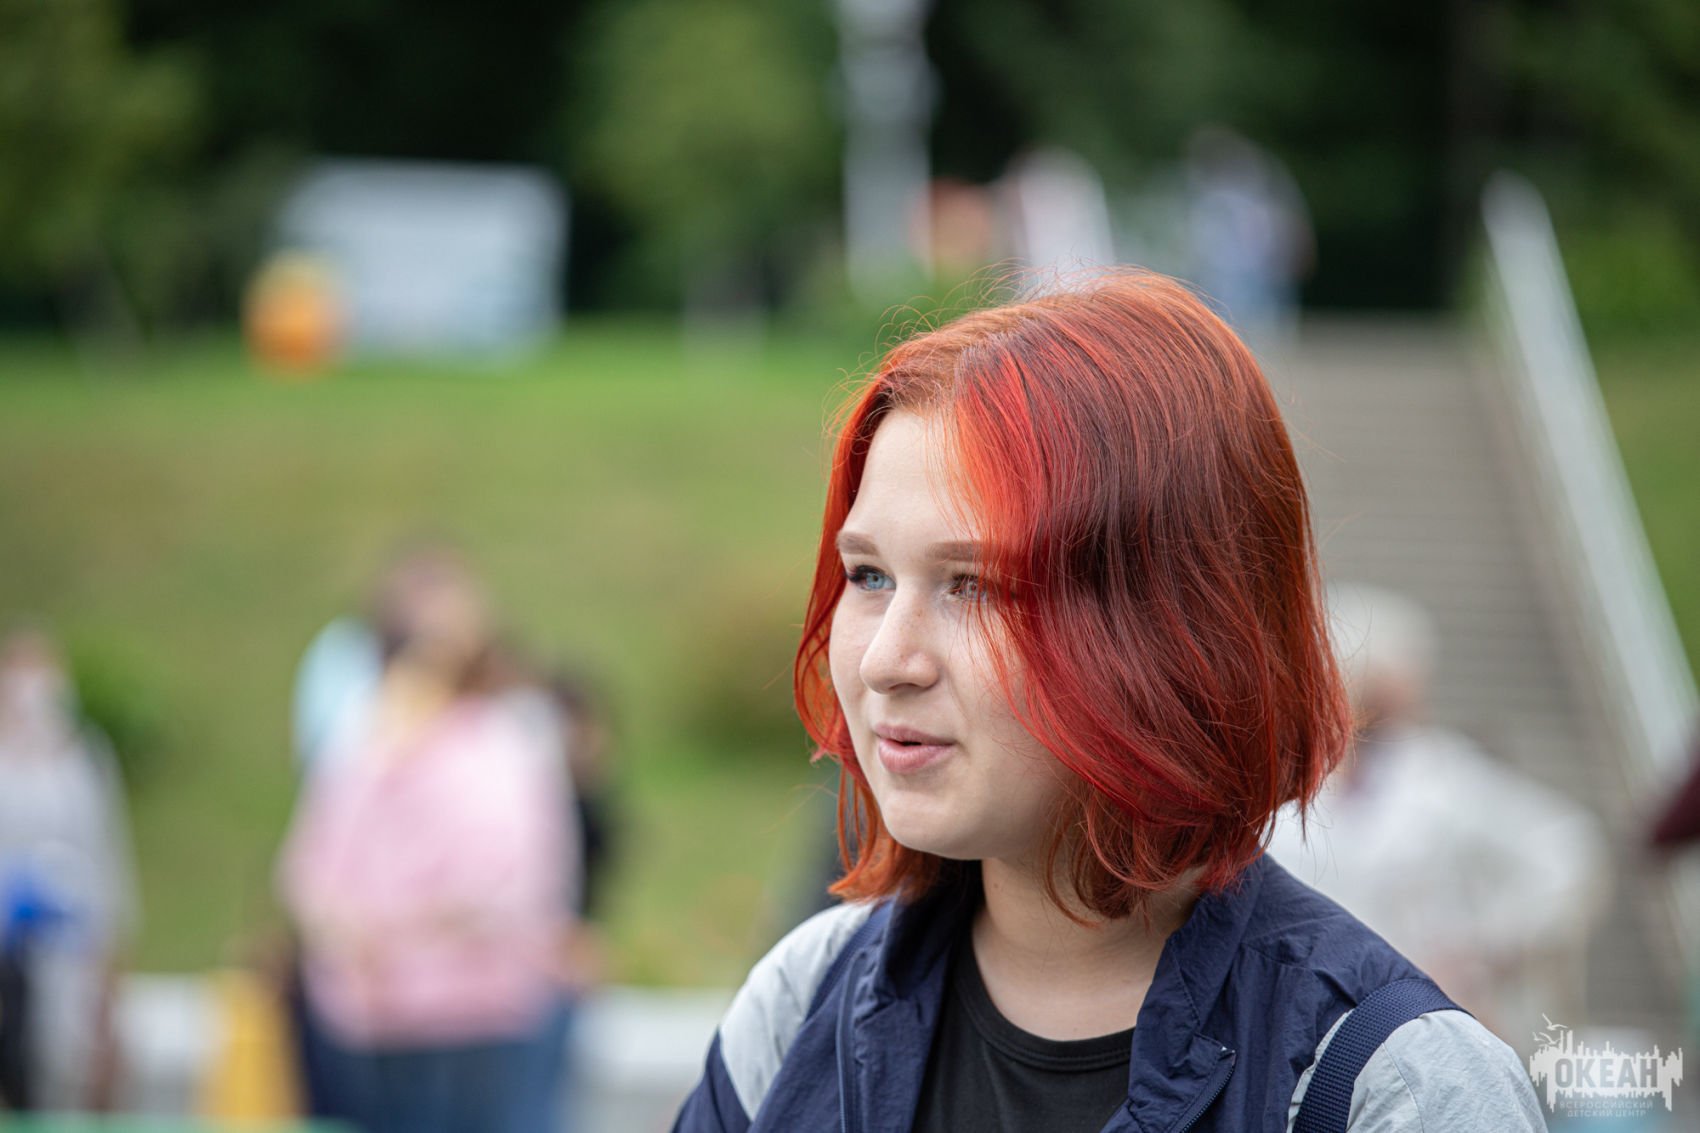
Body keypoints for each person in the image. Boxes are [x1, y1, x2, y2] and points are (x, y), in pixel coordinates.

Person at [672, 271, 1544, 1132]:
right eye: (868, 574)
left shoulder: (1388, 1084)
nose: (885, 661)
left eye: (972, 584)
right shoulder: (802, 1010)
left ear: (1169, 623)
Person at [277, 560, 575, 1133]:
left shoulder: (499, 744)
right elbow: (310, 870)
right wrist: (348, 935)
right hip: (372, 1016)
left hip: (476, 1014)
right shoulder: (364, 742)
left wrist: (396, 936)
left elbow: (508, 885)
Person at [1267, 584, 1608, 1038]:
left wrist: (1487, 949)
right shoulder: (1281, 789)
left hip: (1432, 1020)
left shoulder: (1442, 772)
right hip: (1314, 1024)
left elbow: (1565, 849)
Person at [0, 625, 138, 1114]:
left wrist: (110, 994)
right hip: (9, 964)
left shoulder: (83, 761)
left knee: (65, 1083)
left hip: (69, 963)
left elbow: (109, 871)